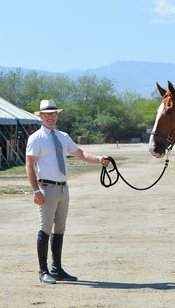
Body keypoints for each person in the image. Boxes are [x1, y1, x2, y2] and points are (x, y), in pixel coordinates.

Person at [25, 99, 110, 284]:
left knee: (60, 228)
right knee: (45, 229)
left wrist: (98, 159)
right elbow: (29, 165)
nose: (50, 117)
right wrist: (35, 191)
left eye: (53, 114)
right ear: (40, 116)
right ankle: (43, 271)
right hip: (47, 188)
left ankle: (57, 269)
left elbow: (80, 153)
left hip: (63, 188)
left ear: (57, 115)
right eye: (46, 114)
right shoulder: (36, 138)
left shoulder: (63, 136)